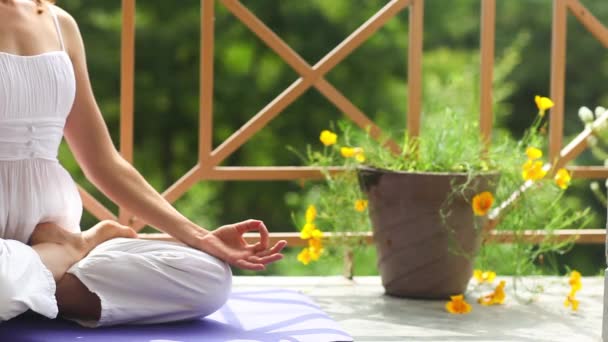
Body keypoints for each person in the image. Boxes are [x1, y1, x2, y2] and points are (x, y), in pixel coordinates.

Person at [0, 0, 287, 327]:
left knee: (208, 278)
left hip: (52, 223)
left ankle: (30, 279)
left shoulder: (59, 24)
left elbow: (104, 161)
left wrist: (199, 237)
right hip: (45, 249)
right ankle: (66, 254)